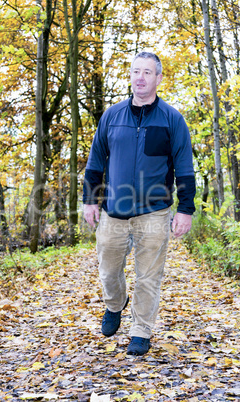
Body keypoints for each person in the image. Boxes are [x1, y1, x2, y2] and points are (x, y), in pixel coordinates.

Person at [83, 51, 196, 356]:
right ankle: (115, 304)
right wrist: (89, 201)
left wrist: (185, 209)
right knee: (108, 271)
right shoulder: (111, 116)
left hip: (154, 211)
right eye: (136, 71)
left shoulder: (172, 119)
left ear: (158, 78)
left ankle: (141, 330)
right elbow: (95, 161)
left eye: (148, 72)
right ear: (130, 76)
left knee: (148, 276)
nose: (140, 78)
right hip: (114, 211)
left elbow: (185, 167)